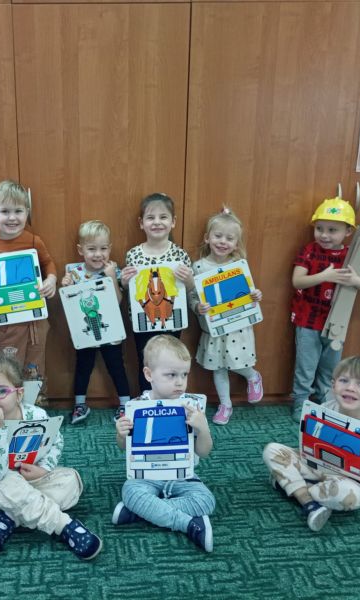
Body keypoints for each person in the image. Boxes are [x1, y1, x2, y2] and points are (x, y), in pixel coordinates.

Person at [0, 351, 102, 560]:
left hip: (31, 480)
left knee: (71, 480)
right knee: (8, 480)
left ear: (19, 394)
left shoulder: (36, 415)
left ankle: (10, 518)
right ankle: (63, 526)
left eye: (1, 391)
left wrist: (44, 469)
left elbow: (56, 441)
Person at [262, 356, 360, 532]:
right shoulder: (326, 408)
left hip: (353, 481)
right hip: (317, 466)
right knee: (272, 450)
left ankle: (293, 487)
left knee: (346, 496)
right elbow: (308, 447)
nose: (350, 388)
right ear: (333, 385)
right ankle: (308, 501)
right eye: (344, 380)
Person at [112, 335, 215, 552]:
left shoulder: (192, 407)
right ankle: (188, 524)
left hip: (184, 476)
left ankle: (140, 511)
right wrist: (121, 434)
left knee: (206, 500)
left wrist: (203, 429)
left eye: (184, 374)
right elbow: (124, 448)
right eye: (171, 375)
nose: (180, 382)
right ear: (149, 374)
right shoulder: (135, 406)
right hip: (146, 477)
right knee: (130, 490)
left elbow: (204, 452)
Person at [289, 197, 360, 421]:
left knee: (331, 367)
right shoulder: (309, 250)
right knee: (306, 366)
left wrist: (356, 280)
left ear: (348, 231)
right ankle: (301, 402)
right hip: (308, 321)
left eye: (332, 230)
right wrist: (324, 276)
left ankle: (325, 401)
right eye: (319, 228)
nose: (324, 235)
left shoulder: (352, 256)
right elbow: (297, 281)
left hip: (337, 323)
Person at [0, 180, 57, 394]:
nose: (12, 218)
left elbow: (48, 263)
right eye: (5, 211)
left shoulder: (34, 241)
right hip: (7, 322)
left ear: (27, 213)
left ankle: (36, 403)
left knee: (35, 364)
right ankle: (9, 402)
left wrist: (51, 280)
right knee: (9, 365)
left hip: (35, 320)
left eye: (18, 211)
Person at [189, 208, 264, 425]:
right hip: (213, 328)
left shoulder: (238, 266)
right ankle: (225, 404)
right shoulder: (199, 267)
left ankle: (252, 376)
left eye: (229, 238)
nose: (223, 242)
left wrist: (256, 295)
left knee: (237, 362)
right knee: (218, 367)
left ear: (236, 244)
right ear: (207, 238)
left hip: (237, 328)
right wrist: (197, 306)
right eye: (218, 236)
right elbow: (192, 296)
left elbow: (248, 292)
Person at [120, 193, 194, 407]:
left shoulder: (180, 255)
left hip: (171, 320)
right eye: (151, 218)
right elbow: (130, 289)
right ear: (141, 223)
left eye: (163, 217)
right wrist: (124, 281)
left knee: (171, 362)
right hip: (142, 320)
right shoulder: (133, 254)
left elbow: (190, 289)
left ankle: (171, 402)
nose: (157, 222)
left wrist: (188, 279)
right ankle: (147, 403)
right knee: (146, 362)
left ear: (173, 222)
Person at [60, 220, 131, 424]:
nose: (98, 254)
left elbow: (117, 301)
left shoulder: (113, 270)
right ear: (80, 250)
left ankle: (125, 404)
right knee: (83, 366)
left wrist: (111, 278)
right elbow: (69, 303)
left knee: (116, 366)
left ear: (110, 248)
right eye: (91, 249)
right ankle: (80, 404)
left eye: (103, 248)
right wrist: (66, 286)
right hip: (84, 331)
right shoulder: (74, 273)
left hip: (111, 331)